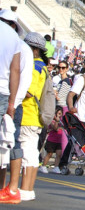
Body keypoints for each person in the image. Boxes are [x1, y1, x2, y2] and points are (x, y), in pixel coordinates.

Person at [0, 11, 33, 204]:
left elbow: (20, 74)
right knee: (5, 144)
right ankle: (8, 188)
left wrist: (14, 102)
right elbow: (15, 73)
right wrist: (12, 102)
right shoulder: (15, 39)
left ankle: (11, 188)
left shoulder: (21, 47)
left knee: (11, 144)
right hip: (8, 95)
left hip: (13, 99)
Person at [17, 32, 49, 202]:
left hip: (28, 114)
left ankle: (25, 188)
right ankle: (28, 189)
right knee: (31, 153)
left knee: (26, 154)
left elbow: (29, 91)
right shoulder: (41, 66)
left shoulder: (34, 66)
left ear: (34, 50)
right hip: (34, 116)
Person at [39, 107, 64, 174]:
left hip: (59, 140)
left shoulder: (62, 120)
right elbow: (55, 128)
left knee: (59, 154)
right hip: (51, 140)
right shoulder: (52, 121)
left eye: (61, 113)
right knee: (49, 154)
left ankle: (56, 167)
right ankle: (43, 166)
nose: (60, 115)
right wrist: (57, 121)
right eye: (58, 113)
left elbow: (63, 128)